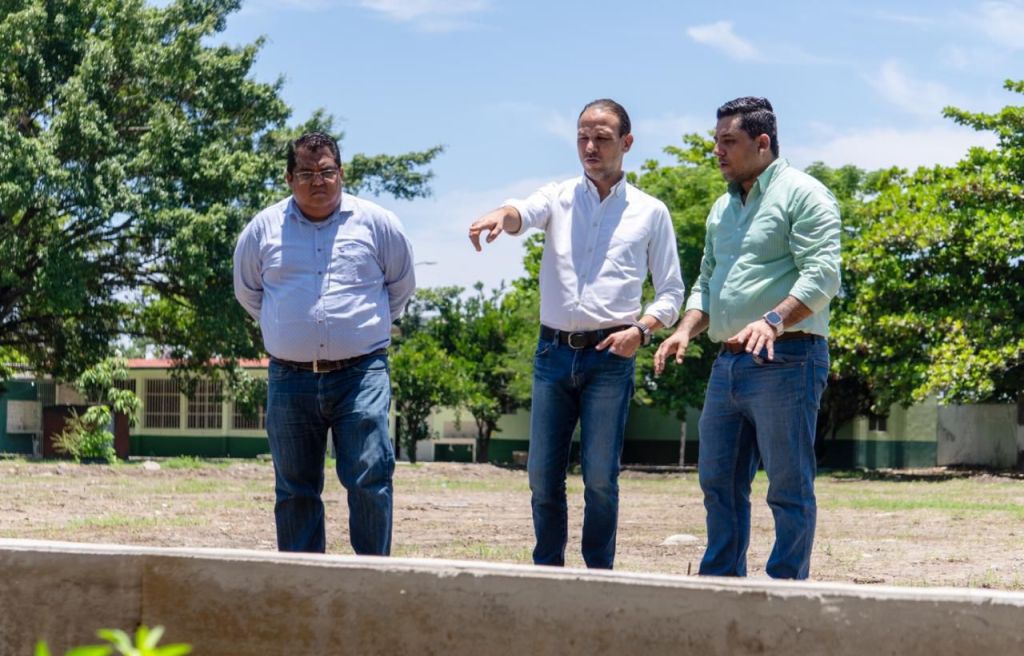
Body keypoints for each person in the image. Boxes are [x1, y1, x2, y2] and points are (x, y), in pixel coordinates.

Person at [468, 99, 685, 569]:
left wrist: (642, 331)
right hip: (553, 353)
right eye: (583, 136)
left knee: (601, 478)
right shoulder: (559, 197)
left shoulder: (650, 212)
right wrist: (500, 215)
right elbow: (522, 211)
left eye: (602, 138)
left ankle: (597, 574)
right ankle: (548, 570)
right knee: (542, 476)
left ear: (626, 142)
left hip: (611, 356)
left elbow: (671, 292)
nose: (590, 146)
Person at [654, 97, 841, 579]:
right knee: (718, 481)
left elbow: (823, 276)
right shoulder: (722, 208)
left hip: (789, 358)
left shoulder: (805, 194)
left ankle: (785, 589)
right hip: (728, 365)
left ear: (762, 142)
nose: (717, 151)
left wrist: (772, 320)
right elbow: (707, 281)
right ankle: (721, 585)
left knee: (788, 486)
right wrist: (685, 330)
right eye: (716, 141)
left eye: (728, 141)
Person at [233, 131, 415, 555]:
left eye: (327, 171)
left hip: (361, 374)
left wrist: (357, 329)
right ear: (288, 178)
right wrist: (289, 330)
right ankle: (303, 582)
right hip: (290, 378)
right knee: (294, 487)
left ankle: (371, 577)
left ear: (341, 173)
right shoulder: (263, 229)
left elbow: (400, 287)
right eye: (306, 173)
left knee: (370, 476)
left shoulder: (377, 223)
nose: (318, 181)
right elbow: (249, 293)